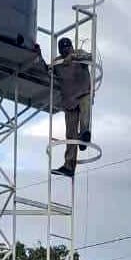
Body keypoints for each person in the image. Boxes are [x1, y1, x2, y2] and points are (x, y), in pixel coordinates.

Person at [51, 37, 93, 178]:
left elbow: (89, 57)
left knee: (85, 114)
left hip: (83, 93)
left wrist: (73, 56)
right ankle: (69, 166)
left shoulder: (78, 54)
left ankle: (84, 135)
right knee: (70, 134)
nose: (65, 50)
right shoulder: (57, 63)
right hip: (69, 101)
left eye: (67, 48)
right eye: (62, 49)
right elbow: (48, 71)